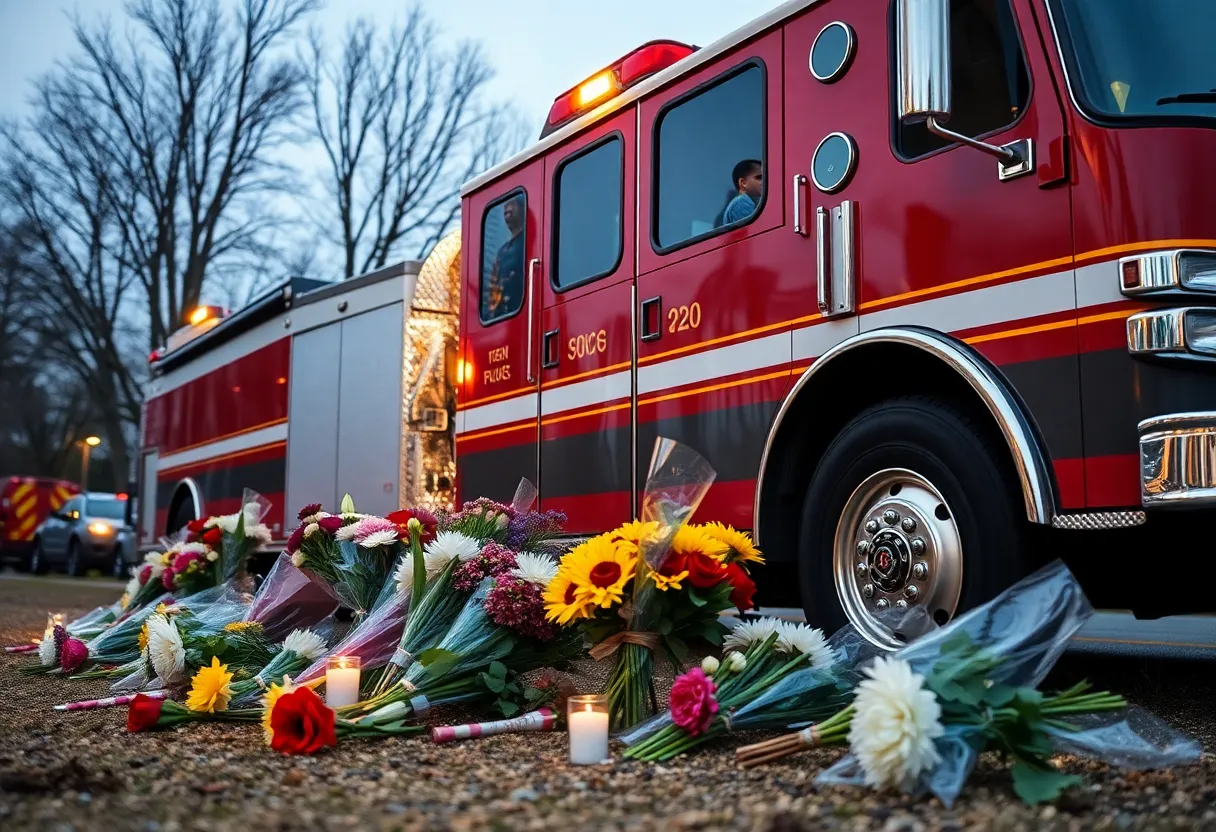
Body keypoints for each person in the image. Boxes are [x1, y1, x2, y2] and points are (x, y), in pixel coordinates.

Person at [484, 194, 526, 318]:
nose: (507, 208)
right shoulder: (502, 251)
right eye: (505, 206)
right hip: (503, 316)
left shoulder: (527, 240)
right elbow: (493, 286)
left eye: (512, 204)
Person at [720, 159, 763, 226]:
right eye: (759, 178)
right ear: (743, 183)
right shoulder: (741, 202)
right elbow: (755, 230)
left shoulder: (754, 202)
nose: (764, 181)